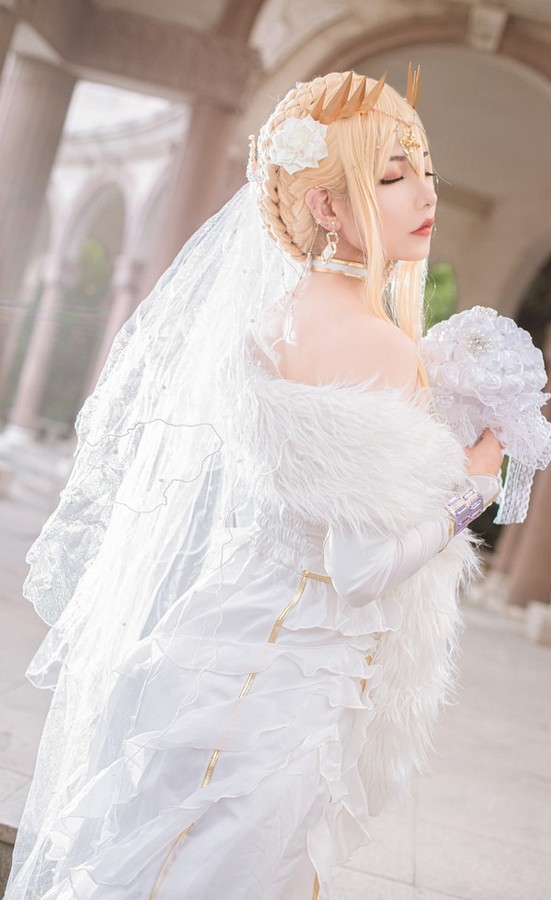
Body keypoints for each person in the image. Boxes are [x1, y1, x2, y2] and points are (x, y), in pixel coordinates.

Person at [6, 69, 504, 899]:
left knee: (150, 852)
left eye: (425, 171)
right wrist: (472, 488)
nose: (426, 194)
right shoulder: (382, 348)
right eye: (392, 176)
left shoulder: (274, 320)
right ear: (326, 206)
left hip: (215, 636)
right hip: (287, 685)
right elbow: (361, 568)